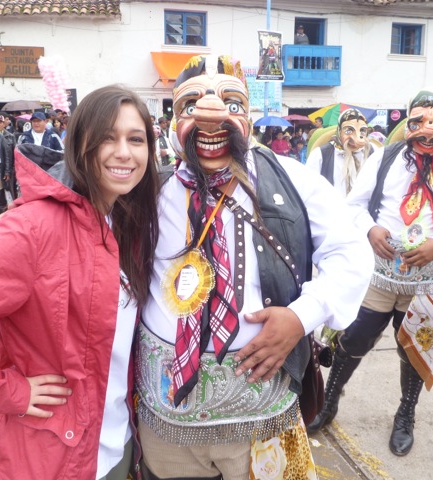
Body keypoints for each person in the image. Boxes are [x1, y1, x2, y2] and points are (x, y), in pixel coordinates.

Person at [136, 54, 372, 479]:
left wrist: (302, 317)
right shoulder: (149, 189)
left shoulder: (292, 179)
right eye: (191, 107)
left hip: (261, 411)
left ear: (248, 116)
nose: (213, 119)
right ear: (173, 120)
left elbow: (351, 253)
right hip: (166, 415)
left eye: (231, 105)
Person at [0, 85, 160, 479]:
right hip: (48, 456)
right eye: (107, 138)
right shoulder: (34, 227)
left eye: (136, 139)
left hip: (117, 447)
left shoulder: (126, 223)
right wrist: (10, 393)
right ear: (80, 145)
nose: (124, 152)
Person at [307, 88, 433, 457]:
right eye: (420, 124)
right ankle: (329, 403)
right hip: (380, 272)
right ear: (408, 124)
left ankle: (405, 415)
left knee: (413, 349)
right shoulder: (387, 156)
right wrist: (370, 229)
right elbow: (355, 205)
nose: (428, 133)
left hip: (432, 276)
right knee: (353, 340)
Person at [306, 108, 373, 195]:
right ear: (339, 131)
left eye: (362, 131)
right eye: (348, 130)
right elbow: (308, 187)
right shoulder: (321, 155)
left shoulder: (373, 153)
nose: (356, 137)